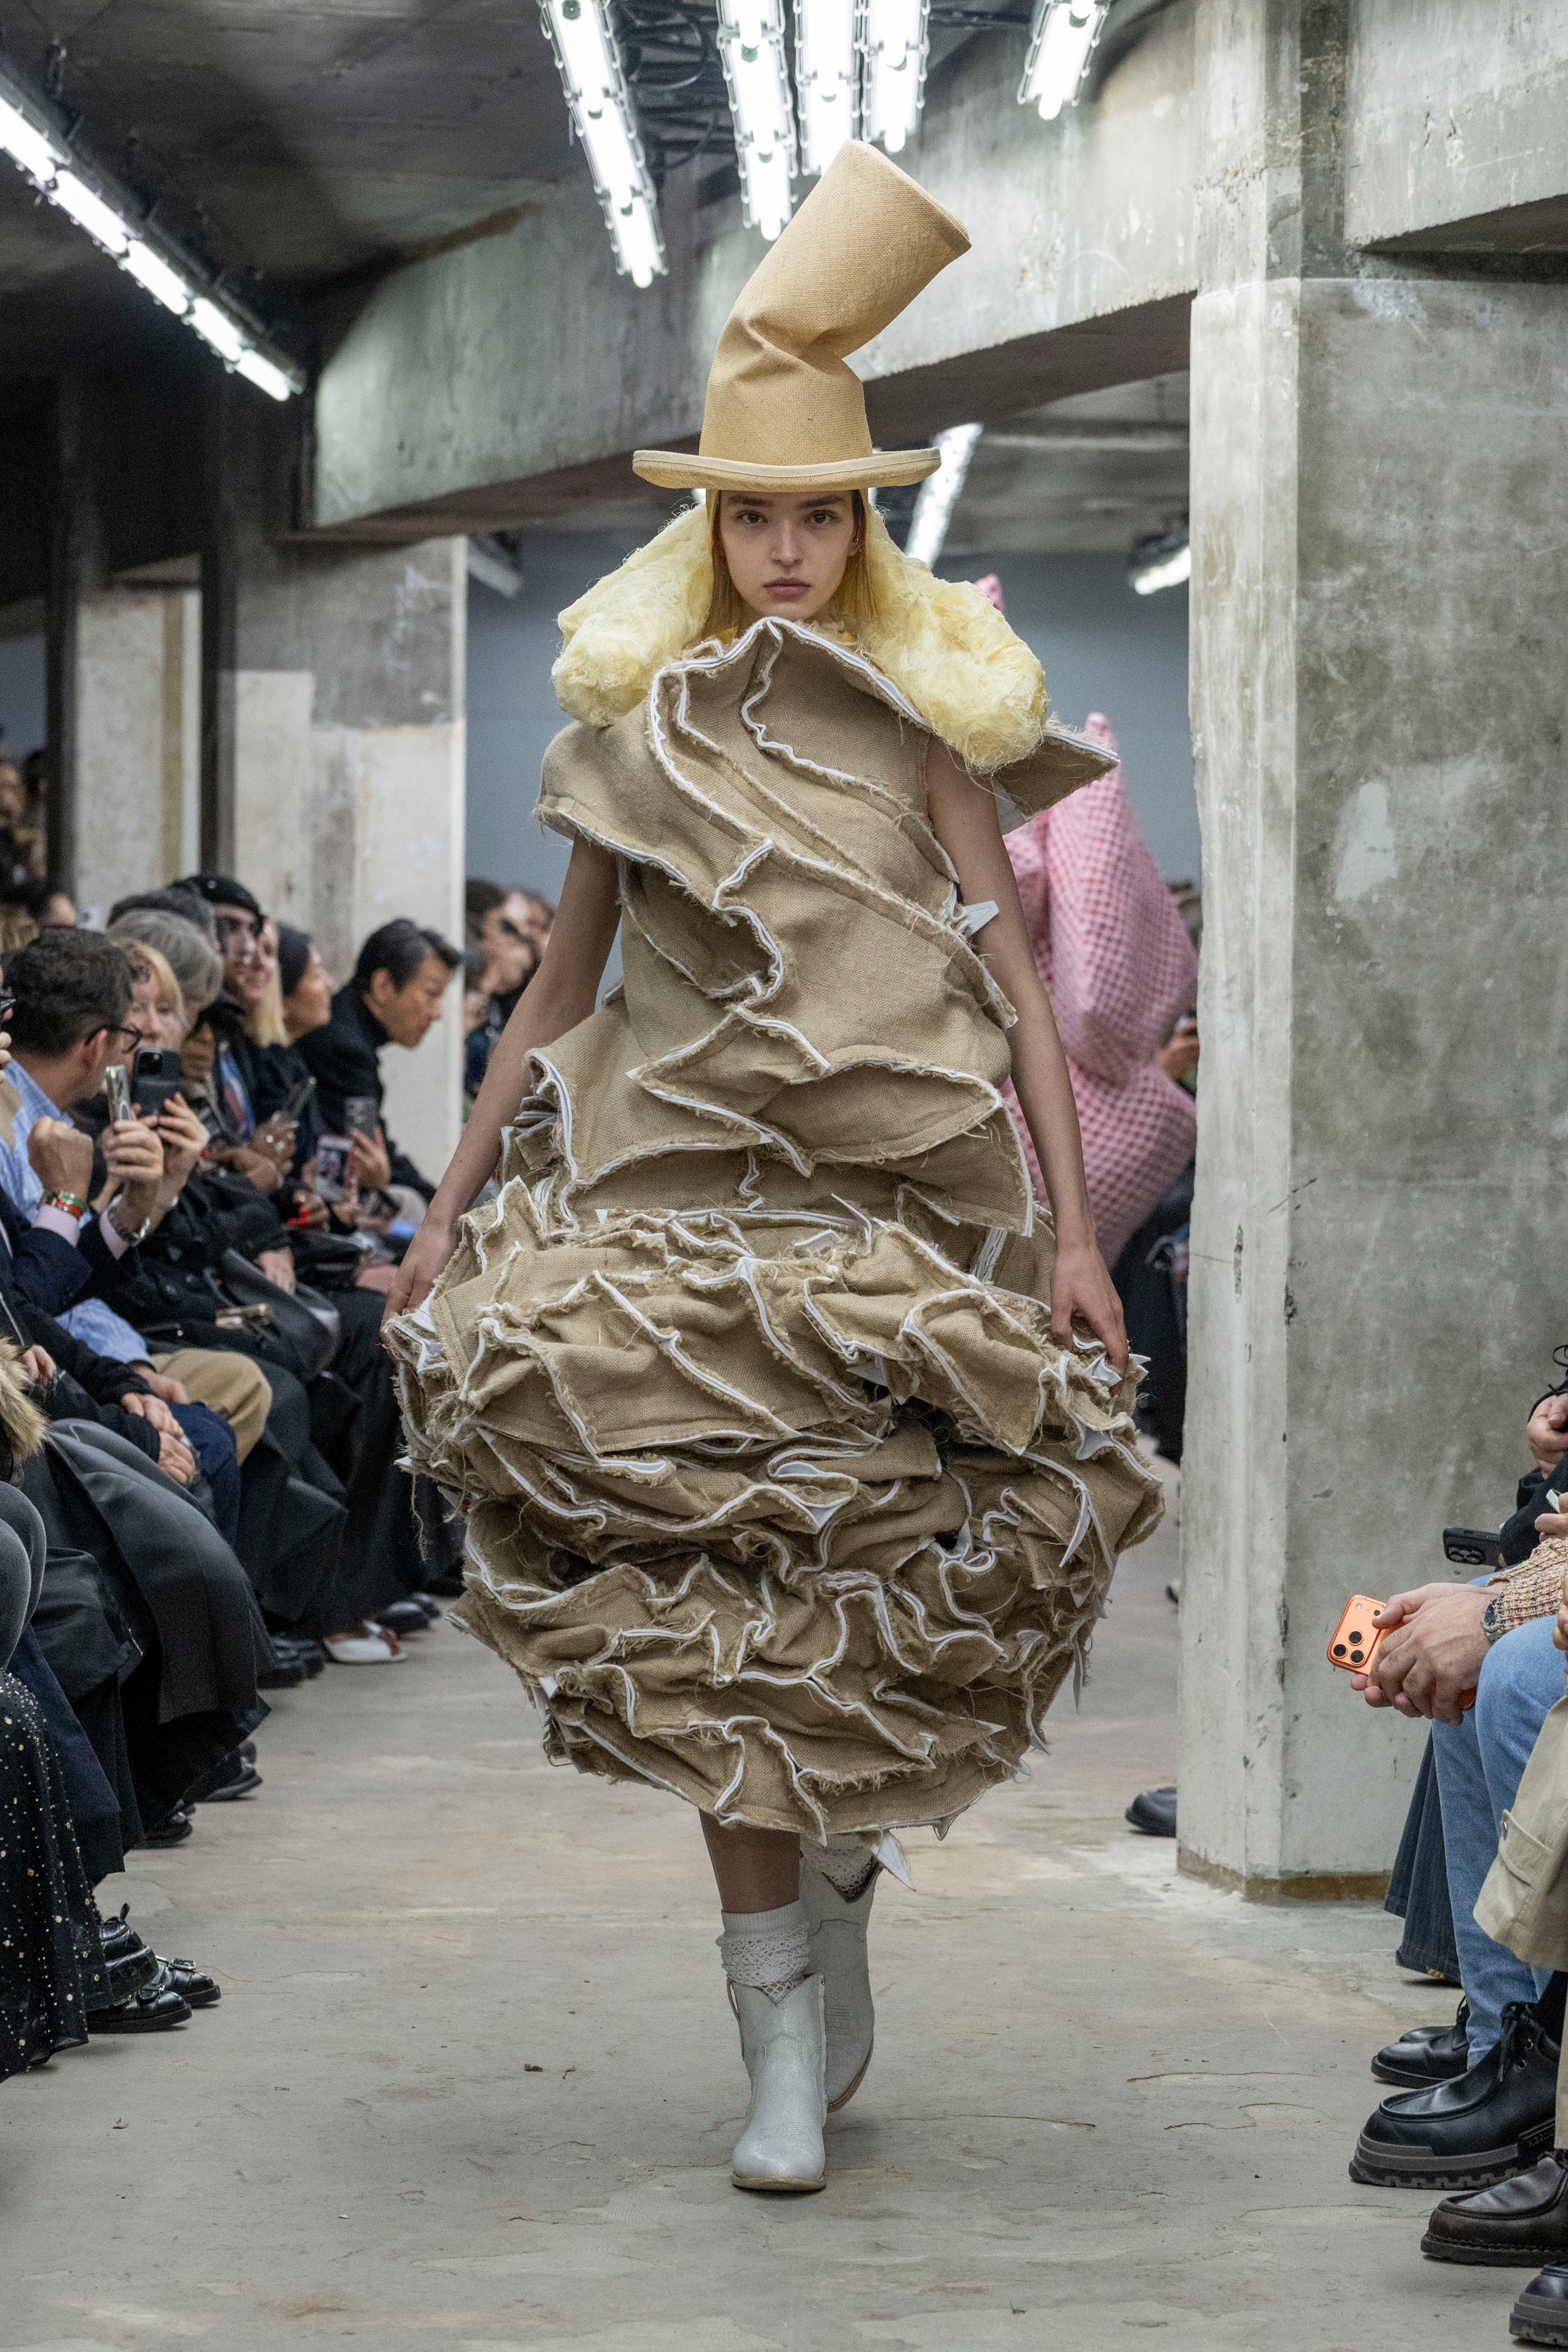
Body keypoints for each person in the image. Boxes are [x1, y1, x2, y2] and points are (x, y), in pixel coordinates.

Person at [381, 143, 1162, 2195]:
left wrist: (1074, 1237)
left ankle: (839, 1858)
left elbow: (1009, 990)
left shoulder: (933, 724)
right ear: (710, 527)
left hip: (905, 1221)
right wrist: (451, 1214)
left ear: (866, 523)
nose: (795, 547)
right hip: (674, 1219)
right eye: (761, 514)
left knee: (863, 1597)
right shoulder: (630, 729)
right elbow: (558, 992)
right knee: (707, 1615)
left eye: (825, 512)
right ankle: (778, 2047)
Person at [298, 917, 461, 1200]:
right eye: (432, 994)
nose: (438, 1013)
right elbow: (365, 1154)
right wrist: (441, 1207)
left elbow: (377, 1152)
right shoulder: (345, 1048)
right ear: (384, 985)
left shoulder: (351, 1034)